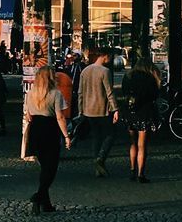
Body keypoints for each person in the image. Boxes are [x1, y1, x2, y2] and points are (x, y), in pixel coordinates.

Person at [22, 65, 73, 212]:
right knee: (51, 168)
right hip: (50, 130)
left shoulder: (31, 93)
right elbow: (60, 117)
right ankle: (38, 196)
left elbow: (28, 115)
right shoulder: (56, 94)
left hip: (36, 130)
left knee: (45, 167)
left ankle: (45, 203)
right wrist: (66, 136)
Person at [74, 48, 119, 175]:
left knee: (96, 136)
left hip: (88, 110)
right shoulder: (105, 71)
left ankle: (97, 167)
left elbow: (80, 92)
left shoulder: (85, 71)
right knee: (110, 134)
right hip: (102, 109)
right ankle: (100, 158)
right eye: (110, 56)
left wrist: (80, 110)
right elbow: (109, 92)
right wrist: (115, 109)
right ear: (105, 56)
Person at [121, 58, 161, 183]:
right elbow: (154, 95)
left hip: (130, 112)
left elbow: (124, 92)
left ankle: (132, 170)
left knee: (133, 143)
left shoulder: (128, 76)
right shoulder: (150, 78)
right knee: (142, 145)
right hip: (145, 112)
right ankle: (140, 174)